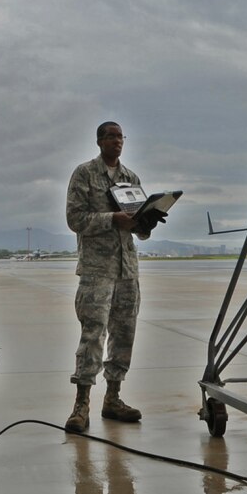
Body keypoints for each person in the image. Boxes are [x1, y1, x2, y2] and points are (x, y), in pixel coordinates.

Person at [64, 120, 145, 433]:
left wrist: (145, 221)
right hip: (98, 270)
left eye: (120, 136)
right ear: (99, 141)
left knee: (124, 334)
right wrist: (113, 219)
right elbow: (75, 219)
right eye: (110, 136)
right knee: (93, 335)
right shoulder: (84, 174)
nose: (117, 141)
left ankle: (113, 398)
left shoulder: (131, 178)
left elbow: (137, 223)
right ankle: (81, 405)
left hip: (128, 271)